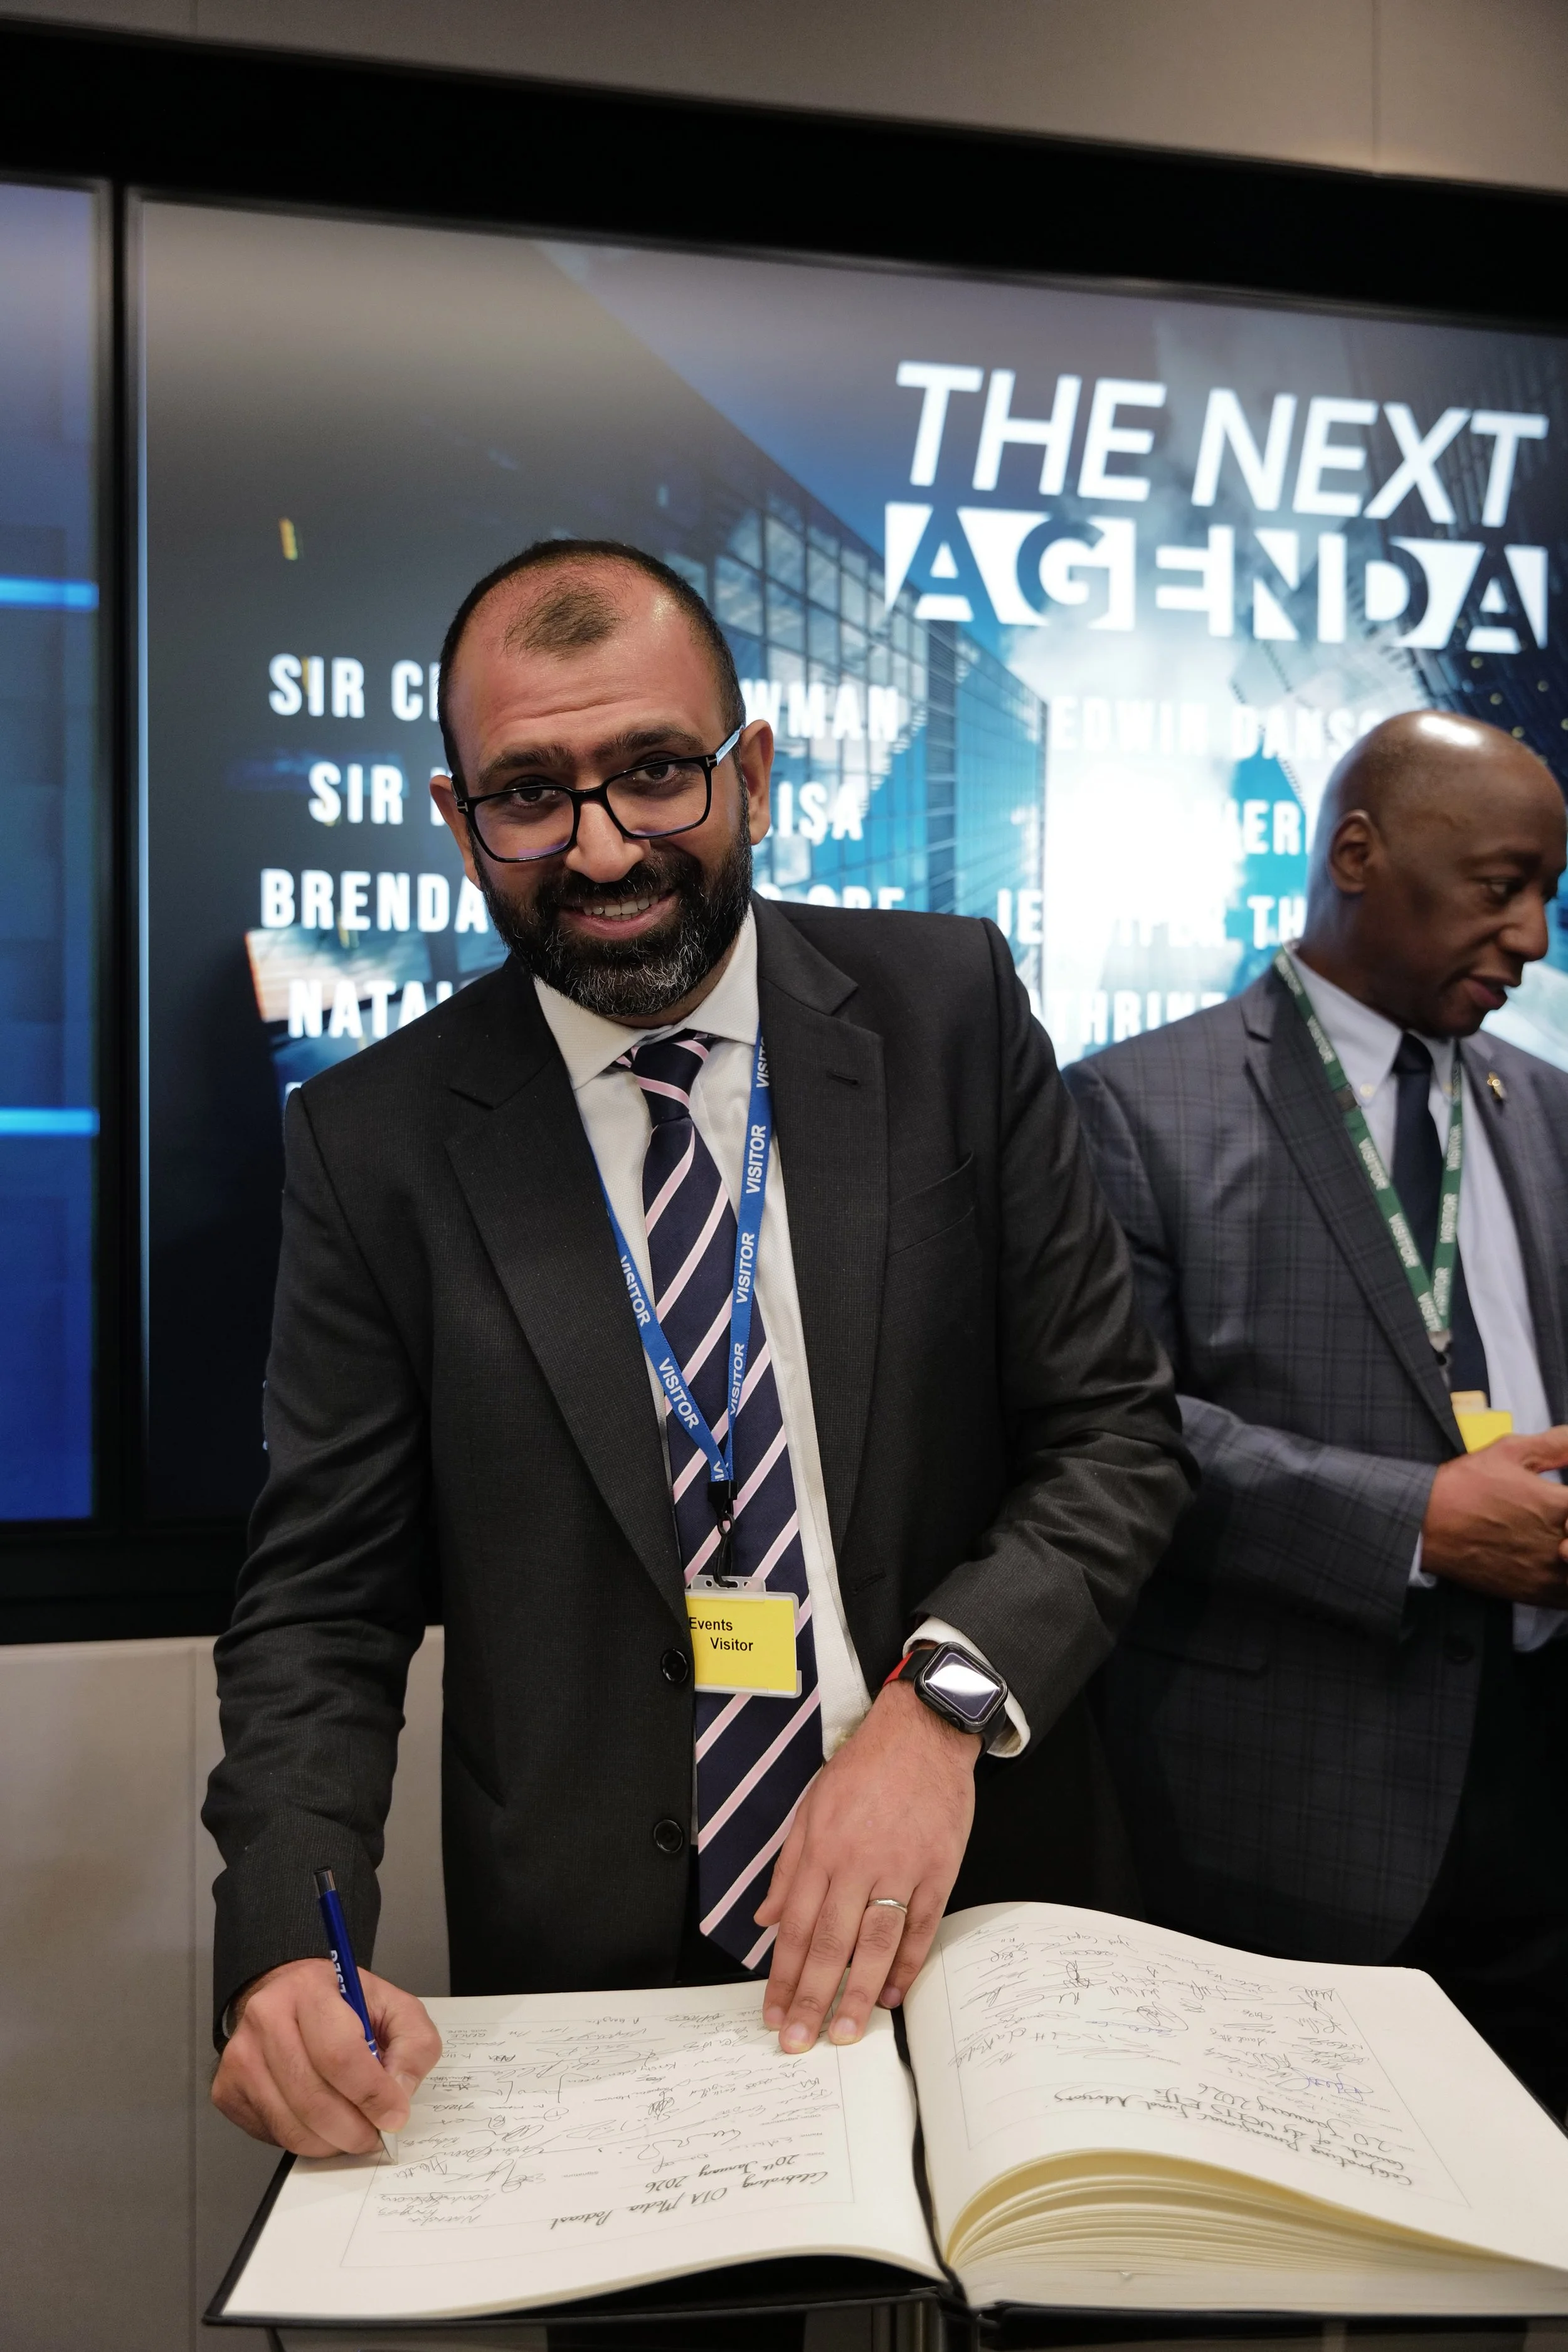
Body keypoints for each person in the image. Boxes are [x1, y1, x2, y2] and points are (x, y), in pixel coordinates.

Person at [204, 538, 1190, 2158]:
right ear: (457, 819)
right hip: (599, 1985)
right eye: (531, 795)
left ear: (755, 770)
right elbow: (323, 1602)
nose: (602, 849)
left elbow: (1114, 1437)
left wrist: (937, 1705)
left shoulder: (947, 1009)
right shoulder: (372, 1140)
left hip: (980, 1909)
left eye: (654, 771)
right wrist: (289, 1940)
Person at [1066, 709, 1568, 2108]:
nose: (1532, 938)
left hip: (1540, 1808)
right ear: (1357, 853)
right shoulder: (1136, 1108)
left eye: (1549, 894)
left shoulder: (1546, 1109)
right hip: (1290, 1812)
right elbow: (1117, 1436)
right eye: (1500, 886)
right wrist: (1416, 1522)